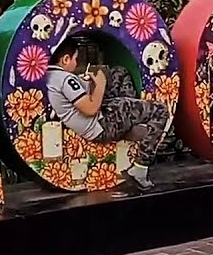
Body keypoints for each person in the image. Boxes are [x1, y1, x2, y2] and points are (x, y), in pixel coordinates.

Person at [45, 41, 171, 189]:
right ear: (65, 60)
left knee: (119, 73)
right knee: (161, 110)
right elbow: (91, 108)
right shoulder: (65, 79)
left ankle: (132, 125)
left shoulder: (52, 77)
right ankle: (140, 168)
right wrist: (100, 83)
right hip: (103, 124)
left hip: (101, 119)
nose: (76, 63)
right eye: (75, 59)